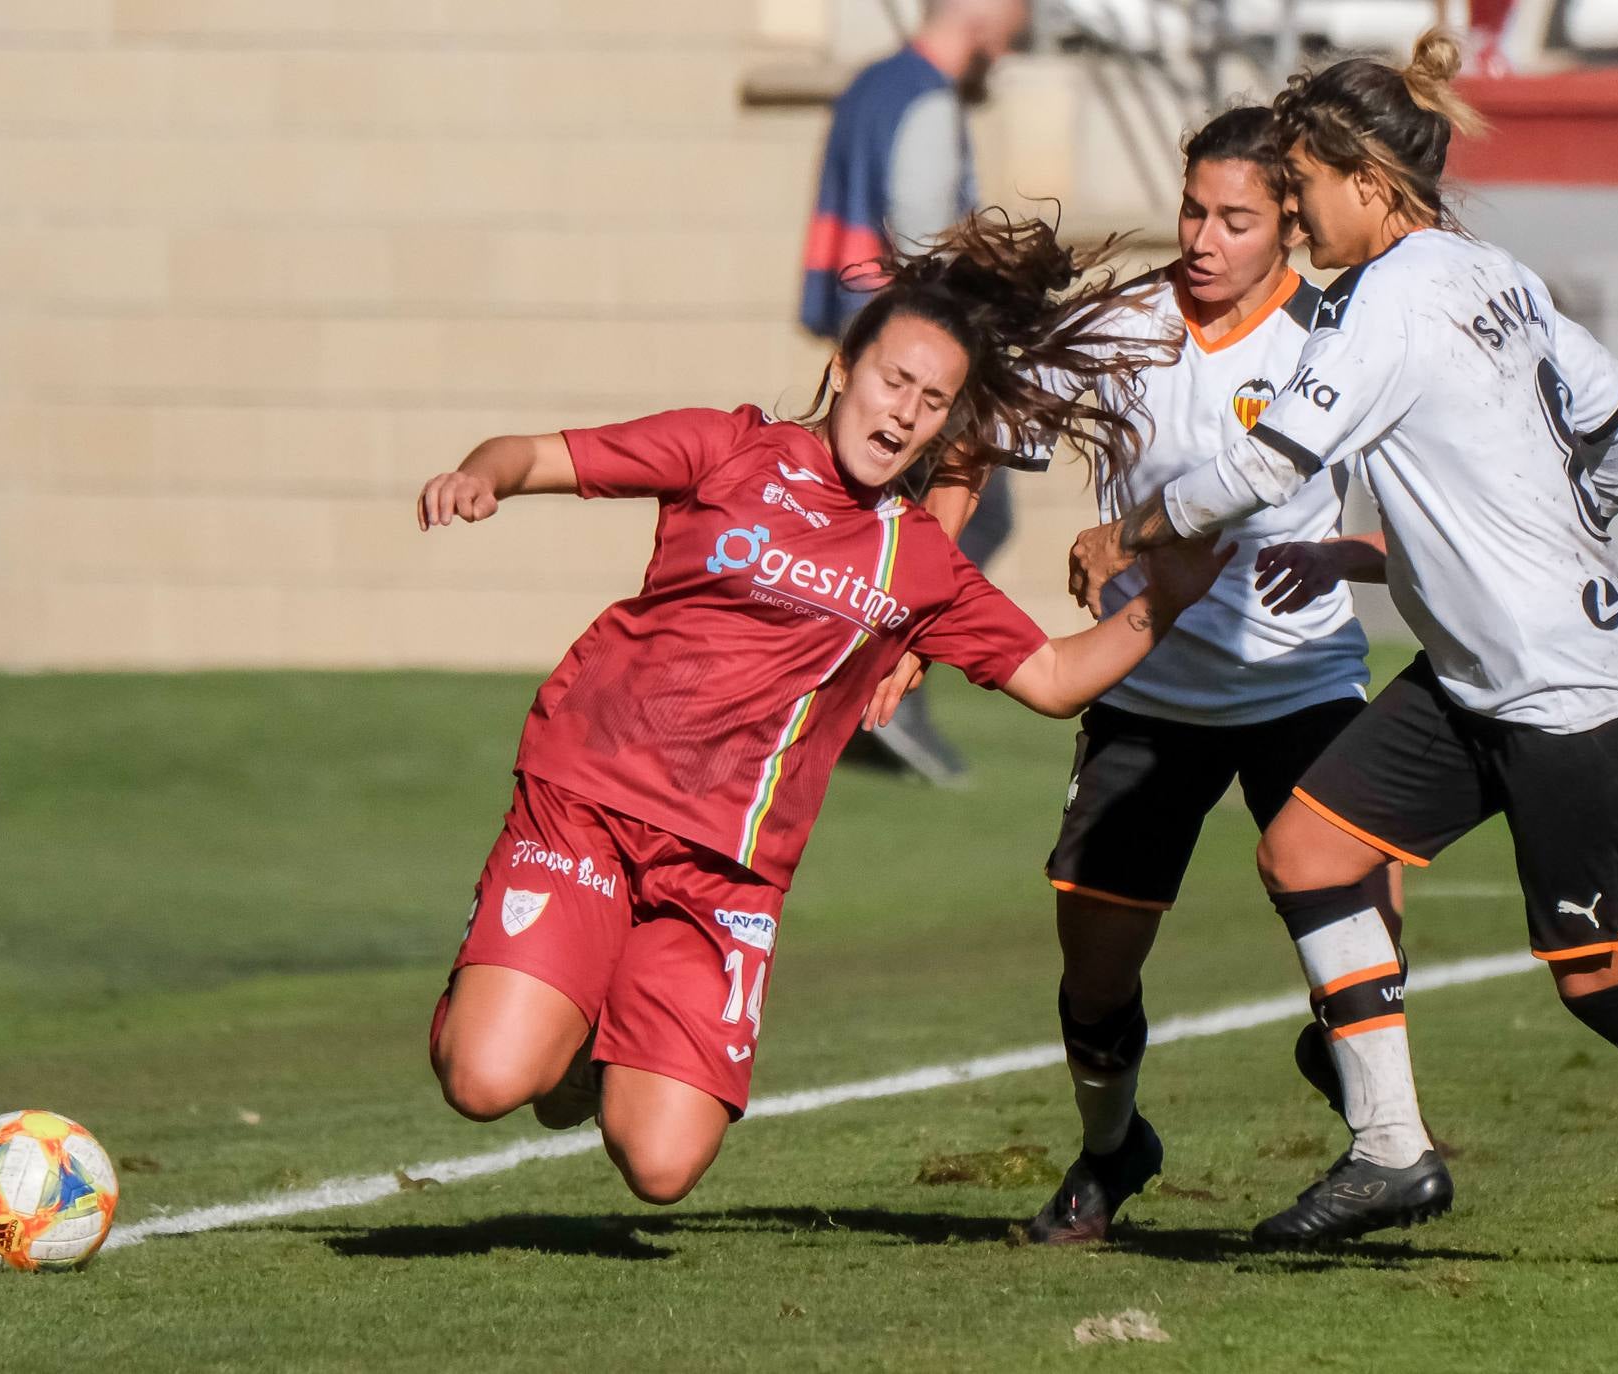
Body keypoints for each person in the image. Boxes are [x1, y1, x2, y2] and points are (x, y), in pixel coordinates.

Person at [1068, 31, 1618, 1265]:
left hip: (1574, 698)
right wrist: (1563, 539)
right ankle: (1390, 1150)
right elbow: (1616, 409)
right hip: (1472, 681)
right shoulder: (1488, 267)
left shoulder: (1390, 302)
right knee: (1304, 851)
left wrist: (1126, 533)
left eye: (1298, 190)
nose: (1292, 217)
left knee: (1599, 979)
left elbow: (1257, 467)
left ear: (1367, 179)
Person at [414, 215, 1230, 1208]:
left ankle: (588, 1032)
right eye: (893, 382)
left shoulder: (915, 558)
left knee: (662, 1168)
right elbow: (531, 454)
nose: (903, 416)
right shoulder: (726, 448)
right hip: (587, 796)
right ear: (845, 367)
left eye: (932, 404)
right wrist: (477, 477)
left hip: (725, 869)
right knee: (486, 1080)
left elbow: (1053, 679)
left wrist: (1168, 598)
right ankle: (538, 1003)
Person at [1009, 106, 1401, 1245]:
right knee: (1092, 976)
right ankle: (1111, 1148)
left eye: (1236, 218)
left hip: (1304, 685)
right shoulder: (1123, 323)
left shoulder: (1342, 339)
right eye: (1192, 209)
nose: (1203, 237)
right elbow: (987, 438)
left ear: (1289, 219)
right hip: (1148, 695)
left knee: (1370, 949)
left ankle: (1375, 1132)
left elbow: (1417, 519)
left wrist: (1354, 560)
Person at [801, 0, 1033, 785]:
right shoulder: (928, 99)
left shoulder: (873, 85)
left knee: (869, 525)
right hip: (911, 353)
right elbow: (929, 242)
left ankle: (847, 682)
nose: (1020, 28)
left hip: (866, 343)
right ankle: (873, 683)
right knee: (972, 511)